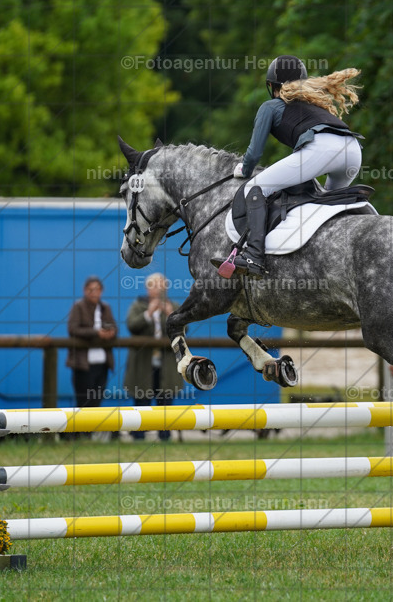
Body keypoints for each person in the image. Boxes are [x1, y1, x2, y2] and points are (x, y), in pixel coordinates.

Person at [211, 55, 365, 277]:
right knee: (327, 204)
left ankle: (254, 256)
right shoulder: (314, 105)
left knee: (255, 188)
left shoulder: (270, 106)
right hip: (353, 150)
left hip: (323, 149)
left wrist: (243, 170)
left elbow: (254, 153)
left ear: (272, 86)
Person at [124, 273, 183, 441]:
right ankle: (139, 434)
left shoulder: (173, 306)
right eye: (154, 286)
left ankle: (164, 435)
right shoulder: (138, 305)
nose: (158, 289)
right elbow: (132, 326)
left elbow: (183, 330)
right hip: (143, 363)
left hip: (166, 364)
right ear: (148, 288)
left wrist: (170, 314)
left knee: (165, 399)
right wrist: (149, 313)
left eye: (161, 286)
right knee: (142, 399)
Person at [66, 276, 117, 438]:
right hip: (82, 363)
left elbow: (114, 327)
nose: (94, 293)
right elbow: (73, 329)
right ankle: (80, 435)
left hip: (102, 363)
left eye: (97, 289)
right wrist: (96, 333)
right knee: (83, 400)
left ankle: (90, 434)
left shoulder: (105, 307)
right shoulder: (78, 306)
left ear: (101, 291)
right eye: (91, 289)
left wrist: (110, 333)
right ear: (85, 290)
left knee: (97, 400)